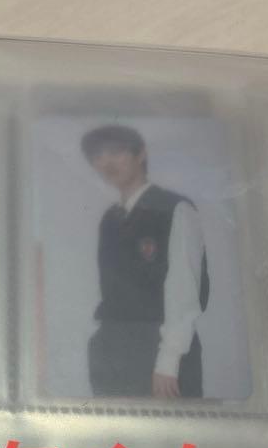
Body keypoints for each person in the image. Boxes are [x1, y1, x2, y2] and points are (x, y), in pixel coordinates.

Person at [81, 124, 210, 399]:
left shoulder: (175, 209)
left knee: (170, 426)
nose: (106, 162)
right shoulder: (110, 219)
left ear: (140, 154)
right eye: (98, 156)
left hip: (159, 353)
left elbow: (184, 288)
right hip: (113, 350)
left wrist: (169, 360)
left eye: (116, 152)